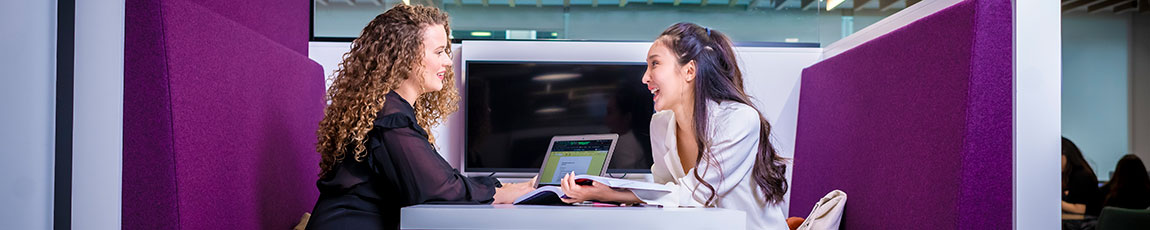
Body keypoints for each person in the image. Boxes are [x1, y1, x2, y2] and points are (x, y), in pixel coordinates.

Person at [305, 5, 533, 230]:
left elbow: (441, 178)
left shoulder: (392, 110)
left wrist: (506, 187)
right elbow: (436, 189)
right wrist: (501, 192)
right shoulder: (389, 116)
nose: (447, 61)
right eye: (439, 51)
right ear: (406, 57)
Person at [558, 22, 790, 230]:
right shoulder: (660, 124)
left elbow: (696, 195)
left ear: (689, 71)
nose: (645, 78)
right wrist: (612, 192)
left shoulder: (739, 119)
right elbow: (665, 191)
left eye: (655, 64)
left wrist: (611, 193)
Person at [1062, 137, 1100, 216]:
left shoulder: (1081, 175)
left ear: (1065, 156)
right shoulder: (1068, 174)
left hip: (1085, 223)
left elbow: (1080, 209)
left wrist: (1052, 202)